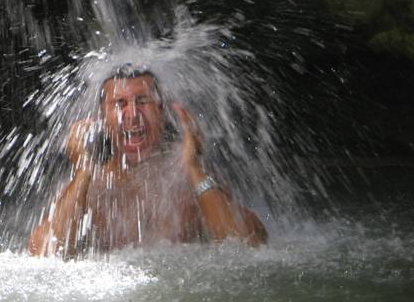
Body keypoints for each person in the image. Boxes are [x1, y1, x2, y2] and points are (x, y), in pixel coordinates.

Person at [28, 67, 267, 257]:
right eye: (119, 104)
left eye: (142, 101)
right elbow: (44, 254)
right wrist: (82, 170)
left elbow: (250, 245)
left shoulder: (187, 180)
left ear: (162, 112)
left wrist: (193, 168)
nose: (132, 114)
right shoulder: (91, 187)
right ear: (103, 119)